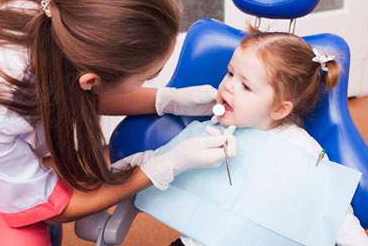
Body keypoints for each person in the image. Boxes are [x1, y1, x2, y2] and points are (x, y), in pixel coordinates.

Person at [0, 0, 231, 245]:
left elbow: (78, 90)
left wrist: (168, 100)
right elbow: (50, 206)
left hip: (3, 171)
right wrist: (161, 166)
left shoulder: (60, 16)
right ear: (91, 80)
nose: (153, 80)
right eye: (148, 76)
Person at [116, 26, 368, 246]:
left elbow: (334, 212)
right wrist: (113, 173)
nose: (228, 86)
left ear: (280, 109)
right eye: (229, 73)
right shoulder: (212, 131)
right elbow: (159, 160)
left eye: (245, 85)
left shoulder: (301, 148)